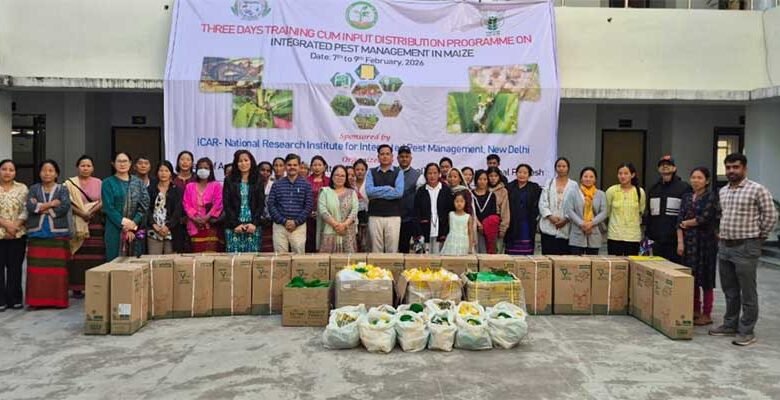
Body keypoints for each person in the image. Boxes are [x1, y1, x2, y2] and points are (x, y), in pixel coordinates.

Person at [709, 153, 777, 346]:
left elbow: (771, 216)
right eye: (728, 167)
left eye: (736, 167)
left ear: (744, 169)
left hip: (746, 246)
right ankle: (730, 324)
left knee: (747, 291)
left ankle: (747, 330)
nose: (731, 171)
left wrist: (759, 236)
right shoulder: (723, 191)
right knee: (729, 289)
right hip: (725, 246)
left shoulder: (757, 190)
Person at [676, 167, 720, 326]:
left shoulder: (711, 197)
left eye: (699, 178)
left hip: (706, 243)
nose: (695, 180)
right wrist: (680, 242)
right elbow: (679, 219)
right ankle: (695, 309)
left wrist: (688, 222)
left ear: (707, 181)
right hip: (689, 243)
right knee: (691, 276)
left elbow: (705, 218)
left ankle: (707, 313)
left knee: (706, 278)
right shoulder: (686, 197)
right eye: (693, 177)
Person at [25, 160, 71, 308]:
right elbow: (30, 206)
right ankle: (36, 302)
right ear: (39, 173)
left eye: (51, 170)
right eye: (44, 170)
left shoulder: (62, 189)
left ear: (56, 173)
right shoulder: (33, 188)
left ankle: (58, 301)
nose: (47, 173)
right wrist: (51, 204)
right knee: (36, 272)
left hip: (57, 235)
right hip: (37, 235)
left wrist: (40, 207)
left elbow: (64, 206)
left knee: (57, 271)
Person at [64, 155, 104, 298]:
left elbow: (102, 201)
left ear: (92, 168)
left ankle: (94, 285)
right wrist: (82, 213)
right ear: (77, 167)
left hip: (94, 222)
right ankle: (76, 287)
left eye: (88, 166)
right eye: (82, 165)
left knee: (95, 256)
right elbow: (67, 202)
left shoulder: (99, 182)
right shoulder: (69, 183)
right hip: (76, 221)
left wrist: (90, 212)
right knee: (77, 254)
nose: (85, 168)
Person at [103, 152, 150, 261]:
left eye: (125, 161)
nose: (122, 164)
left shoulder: (138, 183)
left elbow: (144, 204)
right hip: (114, 229)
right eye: (119, 161)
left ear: (130, 164)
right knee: (114, 263)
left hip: (135, 229)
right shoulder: (107, 183)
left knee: (134, 265)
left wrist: (133, 224)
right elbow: (109, 208)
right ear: (113, 164)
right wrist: (126, 225)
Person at [646, 155, 691, 262]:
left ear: (674, 168)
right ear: (658, 169)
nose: (665, 166)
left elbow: (687, 214)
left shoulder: (684, 188)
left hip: (675, 242)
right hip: (657, 241)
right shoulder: (653, 189)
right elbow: (650, 215)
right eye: (662, 165)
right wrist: (648, 238)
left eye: (668, 164)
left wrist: (682, 241)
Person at [268, 153, 313, 254]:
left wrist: (296, 222)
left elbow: (308, 206)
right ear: (285, 166)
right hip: (280, 226)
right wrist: (284, 221)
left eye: (295, 165)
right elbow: (271, 205)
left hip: (299, 226)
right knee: (280, 259)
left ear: (299, 167)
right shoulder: (277, 184)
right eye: (289, 165)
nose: (292, 167)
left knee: (299, 258)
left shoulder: (306, 185)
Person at [222, 150, 265, 253]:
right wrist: (235, 224)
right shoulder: (229, 180)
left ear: (251, 162)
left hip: (253, 226)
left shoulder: (258, 179)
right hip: (234, 226)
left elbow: (260, 204)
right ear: (236, 163)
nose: (243, 163)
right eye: (240, 161)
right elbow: (226, 204)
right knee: (234, 261)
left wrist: (254, 223)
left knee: (252, 260)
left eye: (246, 160)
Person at [366, 144, 405, 253]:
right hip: (375, 215)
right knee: (376, 249)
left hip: (393, 216)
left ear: (392, 157)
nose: (385, 156)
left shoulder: (398, 172)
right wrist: (388, 188)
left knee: (392, 250)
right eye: (382, 154)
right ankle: (376, 271)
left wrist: (377, 191)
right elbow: (369, 191)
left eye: (387, 154)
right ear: (378, 157)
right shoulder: (371, 172)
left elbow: (398, 193)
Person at [0, 160, 28, 311]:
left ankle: (15, 298)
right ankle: (1, 300)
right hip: (0, 234)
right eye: (4, 169)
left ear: (15, 172)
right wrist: (7, 225)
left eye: (11, 169)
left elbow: (26, 209)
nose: (7, 172)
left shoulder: (22, 188)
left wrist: (15, 225)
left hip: (18, 234)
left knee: (15, 268)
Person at [183, 157, 223, 253]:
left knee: (211, 255)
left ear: (211, 170)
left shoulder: (216, 185)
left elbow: (218, 203)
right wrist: (195, 218)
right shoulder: (190, 186)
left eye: (206, 168)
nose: (203, 170)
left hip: (211, 225)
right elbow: (186, 204)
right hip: (194, 225)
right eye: (200, 168)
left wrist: (207, 217)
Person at [539, 157, 578, 255]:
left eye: (564, 166)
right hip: (549, 225)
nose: (561, 168)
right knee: (548, 258)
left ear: (568, 168)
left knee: (563, 260)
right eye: (559, 166)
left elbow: (576, 205)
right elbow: (543, 202)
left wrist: (566, 219)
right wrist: (550, 216)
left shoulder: (574, 185)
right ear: (555, 168)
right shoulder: (549, 182)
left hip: (566, 227)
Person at [605, 163, 646, 256]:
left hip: (633, 237)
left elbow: (641, 211)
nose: (622, 176)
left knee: (631, 266)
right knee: (615, 265)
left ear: (632, 175)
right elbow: (607, 212)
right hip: (614, 235)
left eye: (626, 173)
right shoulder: (611, 191)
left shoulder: (640, 192)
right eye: (620, 173)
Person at [565, 167, 608, 255]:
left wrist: (591, 223)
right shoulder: (573, 193)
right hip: (577, 233)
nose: (588, 179)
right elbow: (569, 210)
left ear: (595, 179)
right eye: (585, 176)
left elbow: (604, 212)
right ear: (581, 178)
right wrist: (582, 224)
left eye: (591, 177)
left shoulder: (601, 194)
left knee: (593, 263)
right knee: (577, 264)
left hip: (594, 232)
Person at [318, 165, 359, 253]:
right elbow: (323, 211)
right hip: (330, 232)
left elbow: (354, 211)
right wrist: (336, 225)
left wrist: (344, 225)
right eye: (337, 175)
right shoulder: (325, 192)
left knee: (348, 264)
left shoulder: (352, 193)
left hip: (347, 233)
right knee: (328, 262)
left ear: (346, 178)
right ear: (332, 177)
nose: (339, 178)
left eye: (342, 176)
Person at [414, 163, 453, 255]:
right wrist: (418, 231)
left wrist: (447, 229)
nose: (432, 176)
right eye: (429, 173)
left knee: (439, 257)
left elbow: (449, 210)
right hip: (425, 227)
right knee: (425, 257)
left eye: (435, 173)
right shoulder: (421, 191)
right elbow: (416, 212)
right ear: (425, 175)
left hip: (441, 228)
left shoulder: (445, 190)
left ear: (439, 174)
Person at [147, 161, 182, 255]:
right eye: (161, 170)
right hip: (154, 230)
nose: (163, 173)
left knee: (169, 262)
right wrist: (154, 225)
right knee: (154, 261)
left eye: (166, 171)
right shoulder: (150, 189)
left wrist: (168, 226)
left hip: (171, 231)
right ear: (157, 172)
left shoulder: (177, 190)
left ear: (171, 173)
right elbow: (146, 209)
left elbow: (178, 211)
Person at [505, 164, 541, 255]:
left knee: (526, 250)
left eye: (525, 173)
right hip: (512, 222)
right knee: (511, 250)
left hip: (527, 222)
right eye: (520, 172)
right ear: (516, 173)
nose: (522, 175)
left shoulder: (535, 188)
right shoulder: (509, 187)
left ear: (529, 175)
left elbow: (538, 204)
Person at [397, 145, 422, 253]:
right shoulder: (392, 173)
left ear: (411, 158)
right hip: (393, 217)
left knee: (406, 250)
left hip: (409, 220)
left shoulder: (418, 175)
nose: (404, 159)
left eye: (407, 156)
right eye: (402, 156)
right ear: (397, 158)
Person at [472, 170, 501, 254]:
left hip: (488, 229)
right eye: (480, 179)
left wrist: (485, 225)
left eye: (485, 179)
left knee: (486, 253)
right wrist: (478, 224)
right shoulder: (471, 194)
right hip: (474, 227)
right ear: (476, 180)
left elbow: (493, 213)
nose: (482, 182)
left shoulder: (491, 195)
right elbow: (471, 211)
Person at [306, 156, 330, 253]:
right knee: (310, 242)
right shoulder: (306, 181)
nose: (317, 167)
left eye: (319, 165)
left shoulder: (329, 181)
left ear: (324, 167)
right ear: (311, 167)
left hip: (326, 218)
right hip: (309, 218)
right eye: (314, 165)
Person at [173, 151, 196, 253]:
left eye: (188, 160)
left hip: (195, 220)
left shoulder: (196, 179)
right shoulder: (172, 179)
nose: (185, 162)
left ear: (192, 163)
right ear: (178, 162)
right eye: (182, 159)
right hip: (175, 221)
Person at [441, 191, 475, 256]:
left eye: (461, 201)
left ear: (465, 202)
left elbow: (470, 232)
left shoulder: (468, 217)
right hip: (451, 242)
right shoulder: (450, 214)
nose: (459, 204)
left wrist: (470, 247)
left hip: (464, 242)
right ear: (453, 202)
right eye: (457, 201)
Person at [487, 166, 511, 253]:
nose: (493, 178)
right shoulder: (483, 189)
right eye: (490, 176)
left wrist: (503, 228)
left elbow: (505, 210)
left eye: (495, 176)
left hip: (497, 226)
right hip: (483, 226)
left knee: (496, 253)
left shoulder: (503, 191)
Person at [353, 159, 370, 252]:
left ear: (366, 171)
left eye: (362, 170)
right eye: (357, 169)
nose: (360, 172)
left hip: (367, 216)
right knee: (356, 242)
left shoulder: (369, 184)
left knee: (365, 243)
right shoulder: (350, 184)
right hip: (353, 217)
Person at [258, 161, 275, 252]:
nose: (265, 173)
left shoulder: (274, 185)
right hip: (256, 222)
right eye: (263, 170)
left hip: (271, 222)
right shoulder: (253, 185)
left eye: (268, 171)